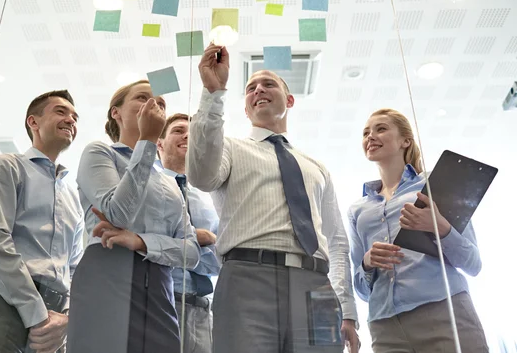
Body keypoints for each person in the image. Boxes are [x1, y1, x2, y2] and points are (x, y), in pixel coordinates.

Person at [186, 43, 360, 353]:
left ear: (290, 99)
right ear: (246, 108)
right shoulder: (230, 147)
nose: (258, 89)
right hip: (248, 278)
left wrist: (346, 308)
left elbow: (336, 240)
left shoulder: (317, 167)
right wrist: (213, 94)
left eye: (269, 84)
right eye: (251, 87)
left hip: (317, 286)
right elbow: (200, 175)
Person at [67, 80, 201, 353]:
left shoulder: (169, 183)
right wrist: (147, 141)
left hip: (160, 288)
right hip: (106, 273)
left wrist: (140, 241)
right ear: (116, 112)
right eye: (143, 98)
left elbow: (192, 252)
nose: (154, 105)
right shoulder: (99, 152)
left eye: (161, 103)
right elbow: (118, 214)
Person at [0, 90, 85, 353]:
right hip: (1, 303)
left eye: (74, 116)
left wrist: (66, 320)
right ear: (32, 122)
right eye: (61, 111)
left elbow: (75, 268)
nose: (71, 120)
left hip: (54, 321)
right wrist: (37, 312)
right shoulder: (7, 166)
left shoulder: (72, 197)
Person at [348, 108, 488, 352]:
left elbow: (473, 264)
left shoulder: (434, 185)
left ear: (406, 140)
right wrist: (367, 263)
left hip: (444, 310)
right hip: (385, 326)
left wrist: (440, 228)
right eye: (365, 133)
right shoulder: (357, 211)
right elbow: (361, 290)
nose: (370, 136)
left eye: (380, 129)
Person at [157, 113, 220, 353]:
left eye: (191, 133)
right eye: (177, 130)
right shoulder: (148, 190)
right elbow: (149, 245)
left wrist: (187, 243)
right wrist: (198, 240)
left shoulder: (209, 199)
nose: (186, 135)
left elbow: (218, 262)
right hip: (163, 305)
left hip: (204, 311)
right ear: (159, 144)